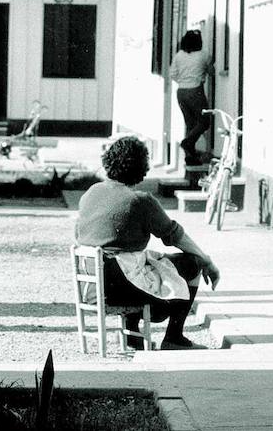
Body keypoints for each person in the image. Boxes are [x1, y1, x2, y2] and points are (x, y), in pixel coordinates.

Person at [75, 136, 221, 350]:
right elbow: (175, 235)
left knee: (141, 262)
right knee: (192, 264)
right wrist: (206, 261)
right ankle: (174, 337)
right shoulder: (140, 201)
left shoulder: (90, 193)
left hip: (93, 287)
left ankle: (133, 338)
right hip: (122, 287)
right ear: (141, 167)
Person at [169, 30, 214, 165]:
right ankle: (187, 143)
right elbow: (211, 71)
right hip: (196, 90)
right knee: (204, 122)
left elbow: (173, 74)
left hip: (181, 92)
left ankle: (190, 156)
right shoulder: (203, 55)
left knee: (190, 124)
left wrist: (183, 80)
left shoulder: (179, 55)